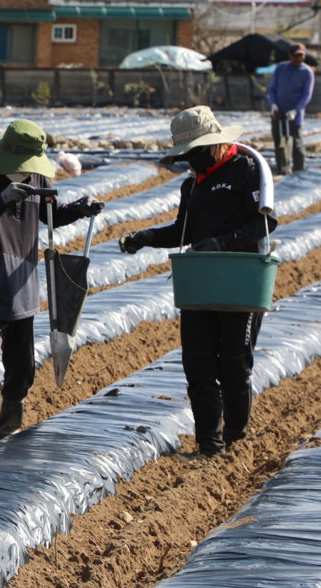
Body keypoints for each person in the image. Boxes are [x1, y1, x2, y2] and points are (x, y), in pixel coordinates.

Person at [118, 106, 278, 458]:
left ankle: (235, 436)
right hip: (201, 281)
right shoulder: (193, 184)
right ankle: (210, 444)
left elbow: (265, 224)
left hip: (241, 280)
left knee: (234, 363)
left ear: (214, 145)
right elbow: (184, 231)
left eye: (193, 153)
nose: (189, 161)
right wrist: (145, 237)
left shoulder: (247, 170)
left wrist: (221, 244)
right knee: (199, 363)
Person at [0, 120, 103, 452]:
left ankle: (9, 429)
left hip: (24, 288)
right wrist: (2, 200)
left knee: (22, 367)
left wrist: (80, 208)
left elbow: (53, 214)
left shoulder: (38, 179)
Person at [267, 42, 314, 174]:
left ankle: (299, 172)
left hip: (294, 115)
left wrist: (295, 110)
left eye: (301, 56)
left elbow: (306, 95)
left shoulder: (307, 72)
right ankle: (282, 169)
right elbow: (272, 89)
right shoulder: (280, 69)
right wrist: (273, 105)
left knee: (296, 145)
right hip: (278, 113)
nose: (299, 58)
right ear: (290, 55)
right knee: (279, 144)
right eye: (296, 55)